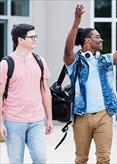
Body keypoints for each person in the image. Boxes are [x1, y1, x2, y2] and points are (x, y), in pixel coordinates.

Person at [63, 1, 117, 163]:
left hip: (104, 115)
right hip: (82, 116)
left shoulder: (106, 60)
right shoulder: (75, 62)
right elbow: (67, 50)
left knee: (104, 158)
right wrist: (76, 23)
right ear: (87, 40)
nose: (101, 40)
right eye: (97, 37)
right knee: (81, 158)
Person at [0, 24, 53, 163]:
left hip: (36, 120)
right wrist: (0, 123)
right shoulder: (6, 64)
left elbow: (45, 91)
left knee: (41, 159)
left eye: (36, 36)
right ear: (20, 40)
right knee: (16, 161)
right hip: (13, 121)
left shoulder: (40, 61)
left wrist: (49, 118)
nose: (35, 39)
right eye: (32, 37)